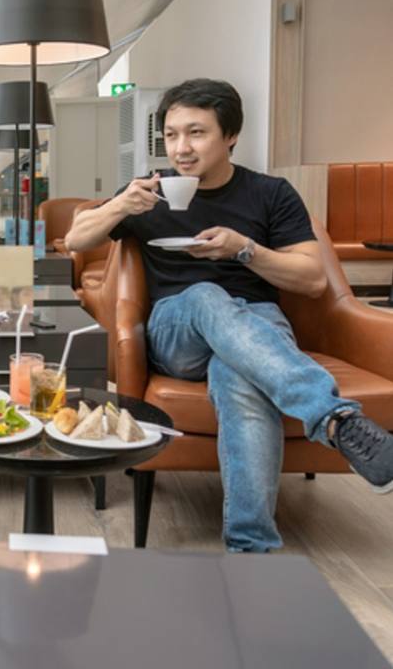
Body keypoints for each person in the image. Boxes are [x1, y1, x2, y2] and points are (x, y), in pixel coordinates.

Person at [65, 78, 393, 552]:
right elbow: (75, 239)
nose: (181, 148)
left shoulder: (271, 194)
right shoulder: (146, 192)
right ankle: (334, 416)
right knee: (204, 295)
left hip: (257, 325)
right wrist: (120, 204)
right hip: (177, 329)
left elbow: (312, 279)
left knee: (238, 378)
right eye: (172, 134)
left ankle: (250, 548)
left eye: (196, 133)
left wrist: (244, 250)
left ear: (231, 136)